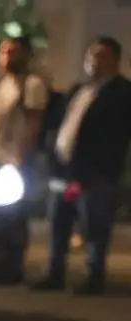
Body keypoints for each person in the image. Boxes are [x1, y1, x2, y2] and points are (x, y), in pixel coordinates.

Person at [34, 36, 131, 295]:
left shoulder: (122, 93)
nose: (92, 61)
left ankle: (93, 274)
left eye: (100, 55)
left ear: (114, 60)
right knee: (59, 220)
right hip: (65, 171)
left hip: (96, 174)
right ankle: (55, 272)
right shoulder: (79, 90)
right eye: (90, 55)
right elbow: (62, 124)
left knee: (94, 224)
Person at [0, 35, 49, 171]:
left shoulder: (32, 84)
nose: (6, 57)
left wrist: (22, 157)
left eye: (11, 52)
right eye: (3, 52)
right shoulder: (4, 83)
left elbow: (33, 124)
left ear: (25, 55)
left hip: (11, 161)